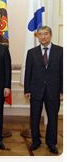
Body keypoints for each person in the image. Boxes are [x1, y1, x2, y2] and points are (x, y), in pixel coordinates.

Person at [24, 26, 65, 154]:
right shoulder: (32, 52)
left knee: (53, 118)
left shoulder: (61, 51)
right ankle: (36, 141)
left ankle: (51, 143)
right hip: (36, 90)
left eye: (45, 34)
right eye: (40, 34)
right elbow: (28, 73)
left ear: (50, 35)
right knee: (35, 117)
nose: (42, 36)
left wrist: (63, 90)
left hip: (54, 90)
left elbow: (64, 72)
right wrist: (27, 89)